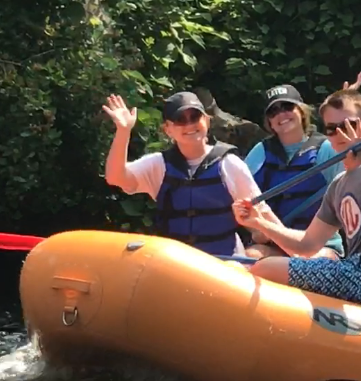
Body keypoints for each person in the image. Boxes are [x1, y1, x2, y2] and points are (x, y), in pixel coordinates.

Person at [232, 89, 361, 308]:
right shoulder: (338, 185)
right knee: (262, 264)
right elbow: (307, 245)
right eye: (331, 129)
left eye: (348, 125)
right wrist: (259, 222)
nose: (339, 134)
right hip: (355, 271)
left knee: (267, 268)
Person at [103, 91, 259, 257]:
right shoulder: (158, 165)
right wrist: (123, 131)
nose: (189, 125)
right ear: (168, 129)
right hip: (176, 263)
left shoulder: (230, 164)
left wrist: (270, 239)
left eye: (195, 117)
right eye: (180, 120)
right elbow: (115, 177)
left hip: (224, 262)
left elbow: (261, 214)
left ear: (206, 120)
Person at [243, 84, 344, 260]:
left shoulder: (326, 149)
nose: (281, 114)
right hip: (275, 243)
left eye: (287, 107)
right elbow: (240, 197)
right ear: (269, 122)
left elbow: (350, 193)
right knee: (249, 257)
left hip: (320, 246)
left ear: (301, 111)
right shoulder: (261, 151)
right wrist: (254, 229)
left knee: (306, 262)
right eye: (273, 111)